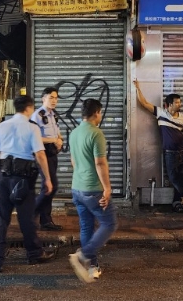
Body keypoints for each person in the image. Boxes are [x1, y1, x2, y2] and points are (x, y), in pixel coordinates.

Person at [0, 95, 56, 273]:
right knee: (26, 219)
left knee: (2, 219)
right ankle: (34, 253)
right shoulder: (32, 128)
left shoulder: (2, 126)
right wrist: (47, 178)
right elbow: (40, 154)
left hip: (3, 176)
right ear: (29, 108)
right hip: (22, 179)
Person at [68, 99, 118, 283]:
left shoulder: (74, 133)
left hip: (77, 188)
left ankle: (92, 266)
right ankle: (84, 255)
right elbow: (100, 163)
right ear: (97, 112)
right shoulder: (96, 134)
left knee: (86, 226)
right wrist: (107, 188)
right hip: (93, 189)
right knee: (109, 224)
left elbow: (73, 161)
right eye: (100, 112)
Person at [133, 79, 183, 213]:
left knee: (180, 180)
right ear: (169, 105)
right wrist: (138, 88)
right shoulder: (161, 113)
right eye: (176, 102)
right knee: (173, 178)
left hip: (182, 153)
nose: (179, 104)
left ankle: (177, 203)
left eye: (179, 102)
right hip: (170, 153)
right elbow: (144, 103)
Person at [32, 87, 64, 231]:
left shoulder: (53, 115)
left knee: (48, 187)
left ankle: (45, 220)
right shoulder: (37, 116)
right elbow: (34, 137)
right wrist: (53, 140)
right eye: (51, 97)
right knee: (51, 186)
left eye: (56, 98)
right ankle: (31, 214)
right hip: (42, 153)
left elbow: (57, 133)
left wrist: (60, 140)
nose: (54, 101)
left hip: (52, 153)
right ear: (43, 98)